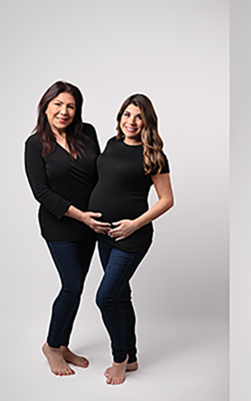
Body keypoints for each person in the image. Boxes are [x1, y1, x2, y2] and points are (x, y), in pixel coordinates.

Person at [24, 81, 108, 377]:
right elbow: (41, 192)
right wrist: (81, 216)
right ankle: (51, 346)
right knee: (71, 286)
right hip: (60, 225)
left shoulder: (88, 133)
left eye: (70, 106)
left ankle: (62, 344)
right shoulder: (35, 144)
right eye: (58, 104)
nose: (64, 111)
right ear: (45, 106)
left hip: (92, 224)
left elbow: (101, 173)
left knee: (76, 288)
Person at [89, 94, 174, 385]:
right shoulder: (111, 145)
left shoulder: (154, 155)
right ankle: (133, 356)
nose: (131, 121)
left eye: (138, 116)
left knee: (105, 297)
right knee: (120, 295)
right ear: (120, 117)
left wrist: (133, 225)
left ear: (147, 121)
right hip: (104, 234)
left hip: (132, 237)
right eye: (127, 114)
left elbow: (167, 200)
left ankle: (119, 359)